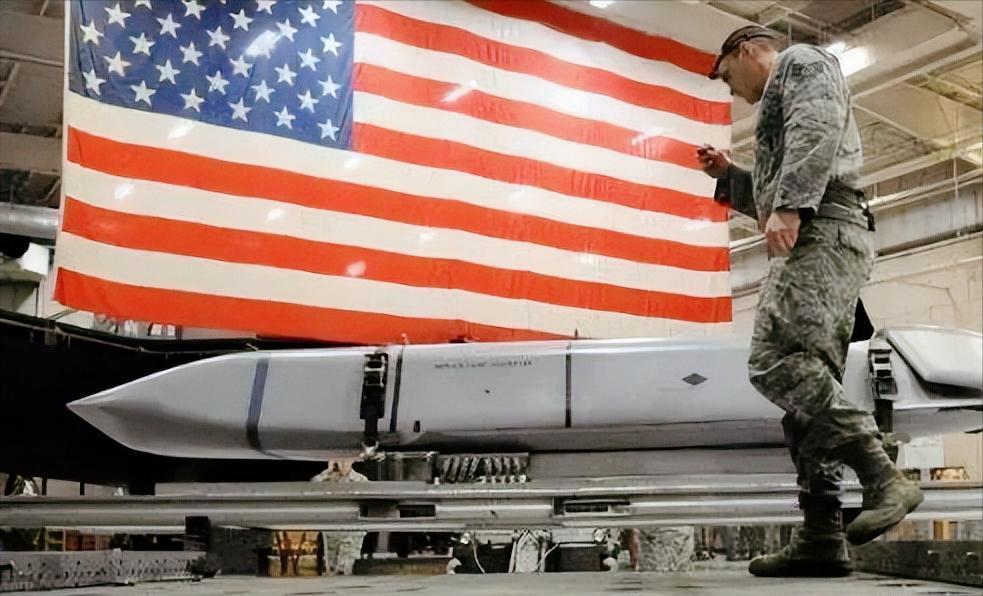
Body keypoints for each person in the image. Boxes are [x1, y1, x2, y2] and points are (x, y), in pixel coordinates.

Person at [698, 25, 923, 577]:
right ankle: (822, 533)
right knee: (806, 387)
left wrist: (791, 207)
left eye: (727, 76)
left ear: (746, 50)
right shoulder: (791, 80)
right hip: (825, 230)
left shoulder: (801, 62)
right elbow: (785, 179)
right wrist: (731, 177)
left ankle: (882, 476)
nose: (733, 91)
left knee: (775, 362)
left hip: (822, 233)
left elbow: (815, 129)